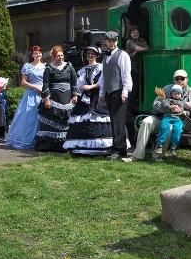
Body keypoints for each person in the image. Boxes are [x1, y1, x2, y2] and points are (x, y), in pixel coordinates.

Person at [122, 69, 191, 163]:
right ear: (174, 80)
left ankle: (157, 156)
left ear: (187, 79)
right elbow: (156, 103)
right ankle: (137, 155)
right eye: (177, 78)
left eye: (182, 78)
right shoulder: (167, 88)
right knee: (146, 121)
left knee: (170, 128)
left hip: (177, 121)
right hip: (160, 118)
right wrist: (168, 108)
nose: (179, 81)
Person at [63, 46, 118, 156]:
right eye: (88, 54)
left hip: (98, 97)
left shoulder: (101, 68)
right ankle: (81, 148)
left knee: (100, 119)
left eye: (92, 54)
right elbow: (78, 85)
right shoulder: (83, 70)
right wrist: (81, 89)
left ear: (97, 56)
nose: (90, 56)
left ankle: (102, 148)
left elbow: (103, 83)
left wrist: (91, 87)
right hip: (85, 98)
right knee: (81, 119)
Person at [97, 30, 132, 160]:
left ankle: (116, 150)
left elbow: (126, 74)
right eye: (109, 41)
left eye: (114, 41)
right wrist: (101, 94)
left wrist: (125, 91)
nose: (111, 43)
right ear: (106, 42)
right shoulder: (105, 57)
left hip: (119, 91)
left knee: (118, 121)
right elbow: (103, 77)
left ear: (117, 41)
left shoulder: (122, 55)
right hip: (108, 92)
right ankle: (122, 148)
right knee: (115, 121)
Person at [35, 46, 77, 152]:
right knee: (54, 119)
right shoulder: (49, 68)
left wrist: (75, 95)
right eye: (58, 56)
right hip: (54, 99)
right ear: (53, 57)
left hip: (67, 99)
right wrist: (47, 99)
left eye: (62, 55)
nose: (60, 57)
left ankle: (67, 144)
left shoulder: (69, 67)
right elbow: (45, 84)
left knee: (67, 120)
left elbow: (74, 82)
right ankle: (53, 145)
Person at [6, 46, 45, 149]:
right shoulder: (28, 66)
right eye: (35, 53)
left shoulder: (46, 66)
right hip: (32, 95)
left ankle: (42, 140)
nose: (38, 55)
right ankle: (27, 139)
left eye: (39, 53)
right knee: (29, 117)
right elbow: (23, 82)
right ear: (32, 55)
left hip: (43, 94)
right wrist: (35, 87)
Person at [154, 84, 188, 157]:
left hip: (178, 118)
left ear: (181, 94)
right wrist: (170, 107)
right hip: (168, 117)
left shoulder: (183, 102)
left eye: (178, 94)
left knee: (177, 130)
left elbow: (187, 111)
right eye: (175, 93)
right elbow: (164, 104)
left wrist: (185, 112)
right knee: (163, 127)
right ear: (171, 94)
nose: (176, 95)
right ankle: (160, 145)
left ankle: (174, 147)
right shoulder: (168, 100)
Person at [125, 26, 149, 109]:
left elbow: (147, 48)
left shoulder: (142, 40)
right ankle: (131, 108)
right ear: (130, 34)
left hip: (141, 65)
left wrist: (138, 50)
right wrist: (137, 50)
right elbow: (139, 48)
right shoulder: (129, 41)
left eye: (137, 32)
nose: (135, 34)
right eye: (133, 33)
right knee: (133, 87)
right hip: (132, 65)